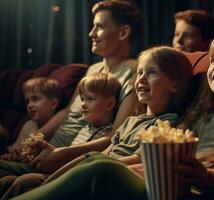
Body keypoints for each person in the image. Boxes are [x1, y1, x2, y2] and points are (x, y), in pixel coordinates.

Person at [13, 31, 214, 200]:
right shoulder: (200, 116)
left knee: (103, 167)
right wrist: (126, 168)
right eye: (213, 59)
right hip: (162, 185)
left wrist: (212, 178)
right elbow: (157, 164)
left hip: (198, 191)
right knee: (100, 161)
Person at [10, 45, 193, 200]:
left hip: (111, 177)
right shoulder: (130, 121)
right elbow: (105, 152)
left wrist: (72, 171)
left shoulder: (168, 125)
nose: (141, 79)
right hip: (93, 169)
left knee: (27, 182)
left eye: (151, 73)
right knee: (21, 182)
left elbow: (136, 159)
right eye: (139, 73)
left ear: (174, 85)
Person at [0, 0, 143, 176]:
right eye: (92, 27)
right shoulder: (93, 69)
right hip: (49, 150)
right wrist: (28, 142)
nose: (91, 34)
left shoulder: (135, 71)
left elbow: (116, 135)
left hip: (70, 158)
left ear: (123, 32)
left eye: (99, 27)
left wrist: (62, 154)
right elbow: (67, 112)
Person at [0, 72, 121, 198]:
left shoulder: (107, 134)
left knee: (24, 182)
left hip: (67, 175)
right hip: (56, 170)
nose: (83, 104)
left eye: (89, 99)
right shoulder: (85, 128)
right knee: (6, 180)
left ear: (110, 104)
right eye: (82, 99)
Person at [0, 77, 64, 162]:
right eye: (27, 101)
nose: (29, 105)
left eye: (35, 99)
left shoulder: (61, 128)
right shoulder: (29, 125)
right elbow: (15, 150)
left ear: (53, 104)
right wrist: (9, 156)